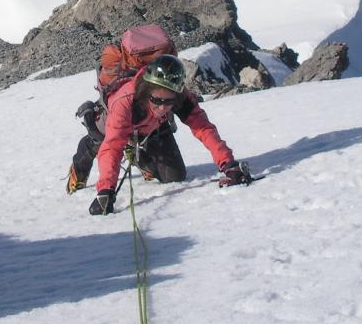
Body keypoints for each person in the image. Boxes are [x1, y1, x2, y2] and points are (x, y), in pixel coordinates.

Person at [66, 54, 252, 215]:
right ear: (147, 90)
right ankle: (85, 154)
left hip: (149, 129)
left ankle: (138, 155)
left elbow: (203, 127)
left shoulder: (180, 96)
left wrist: (228, 164)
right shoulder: (125, 101)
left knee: (174, 176)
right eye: (156, 100)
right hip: (110, 128)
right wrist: (106, 190)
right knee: (101, 140)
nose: (163, 107)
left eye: (168, 102)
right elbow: (113, 146)